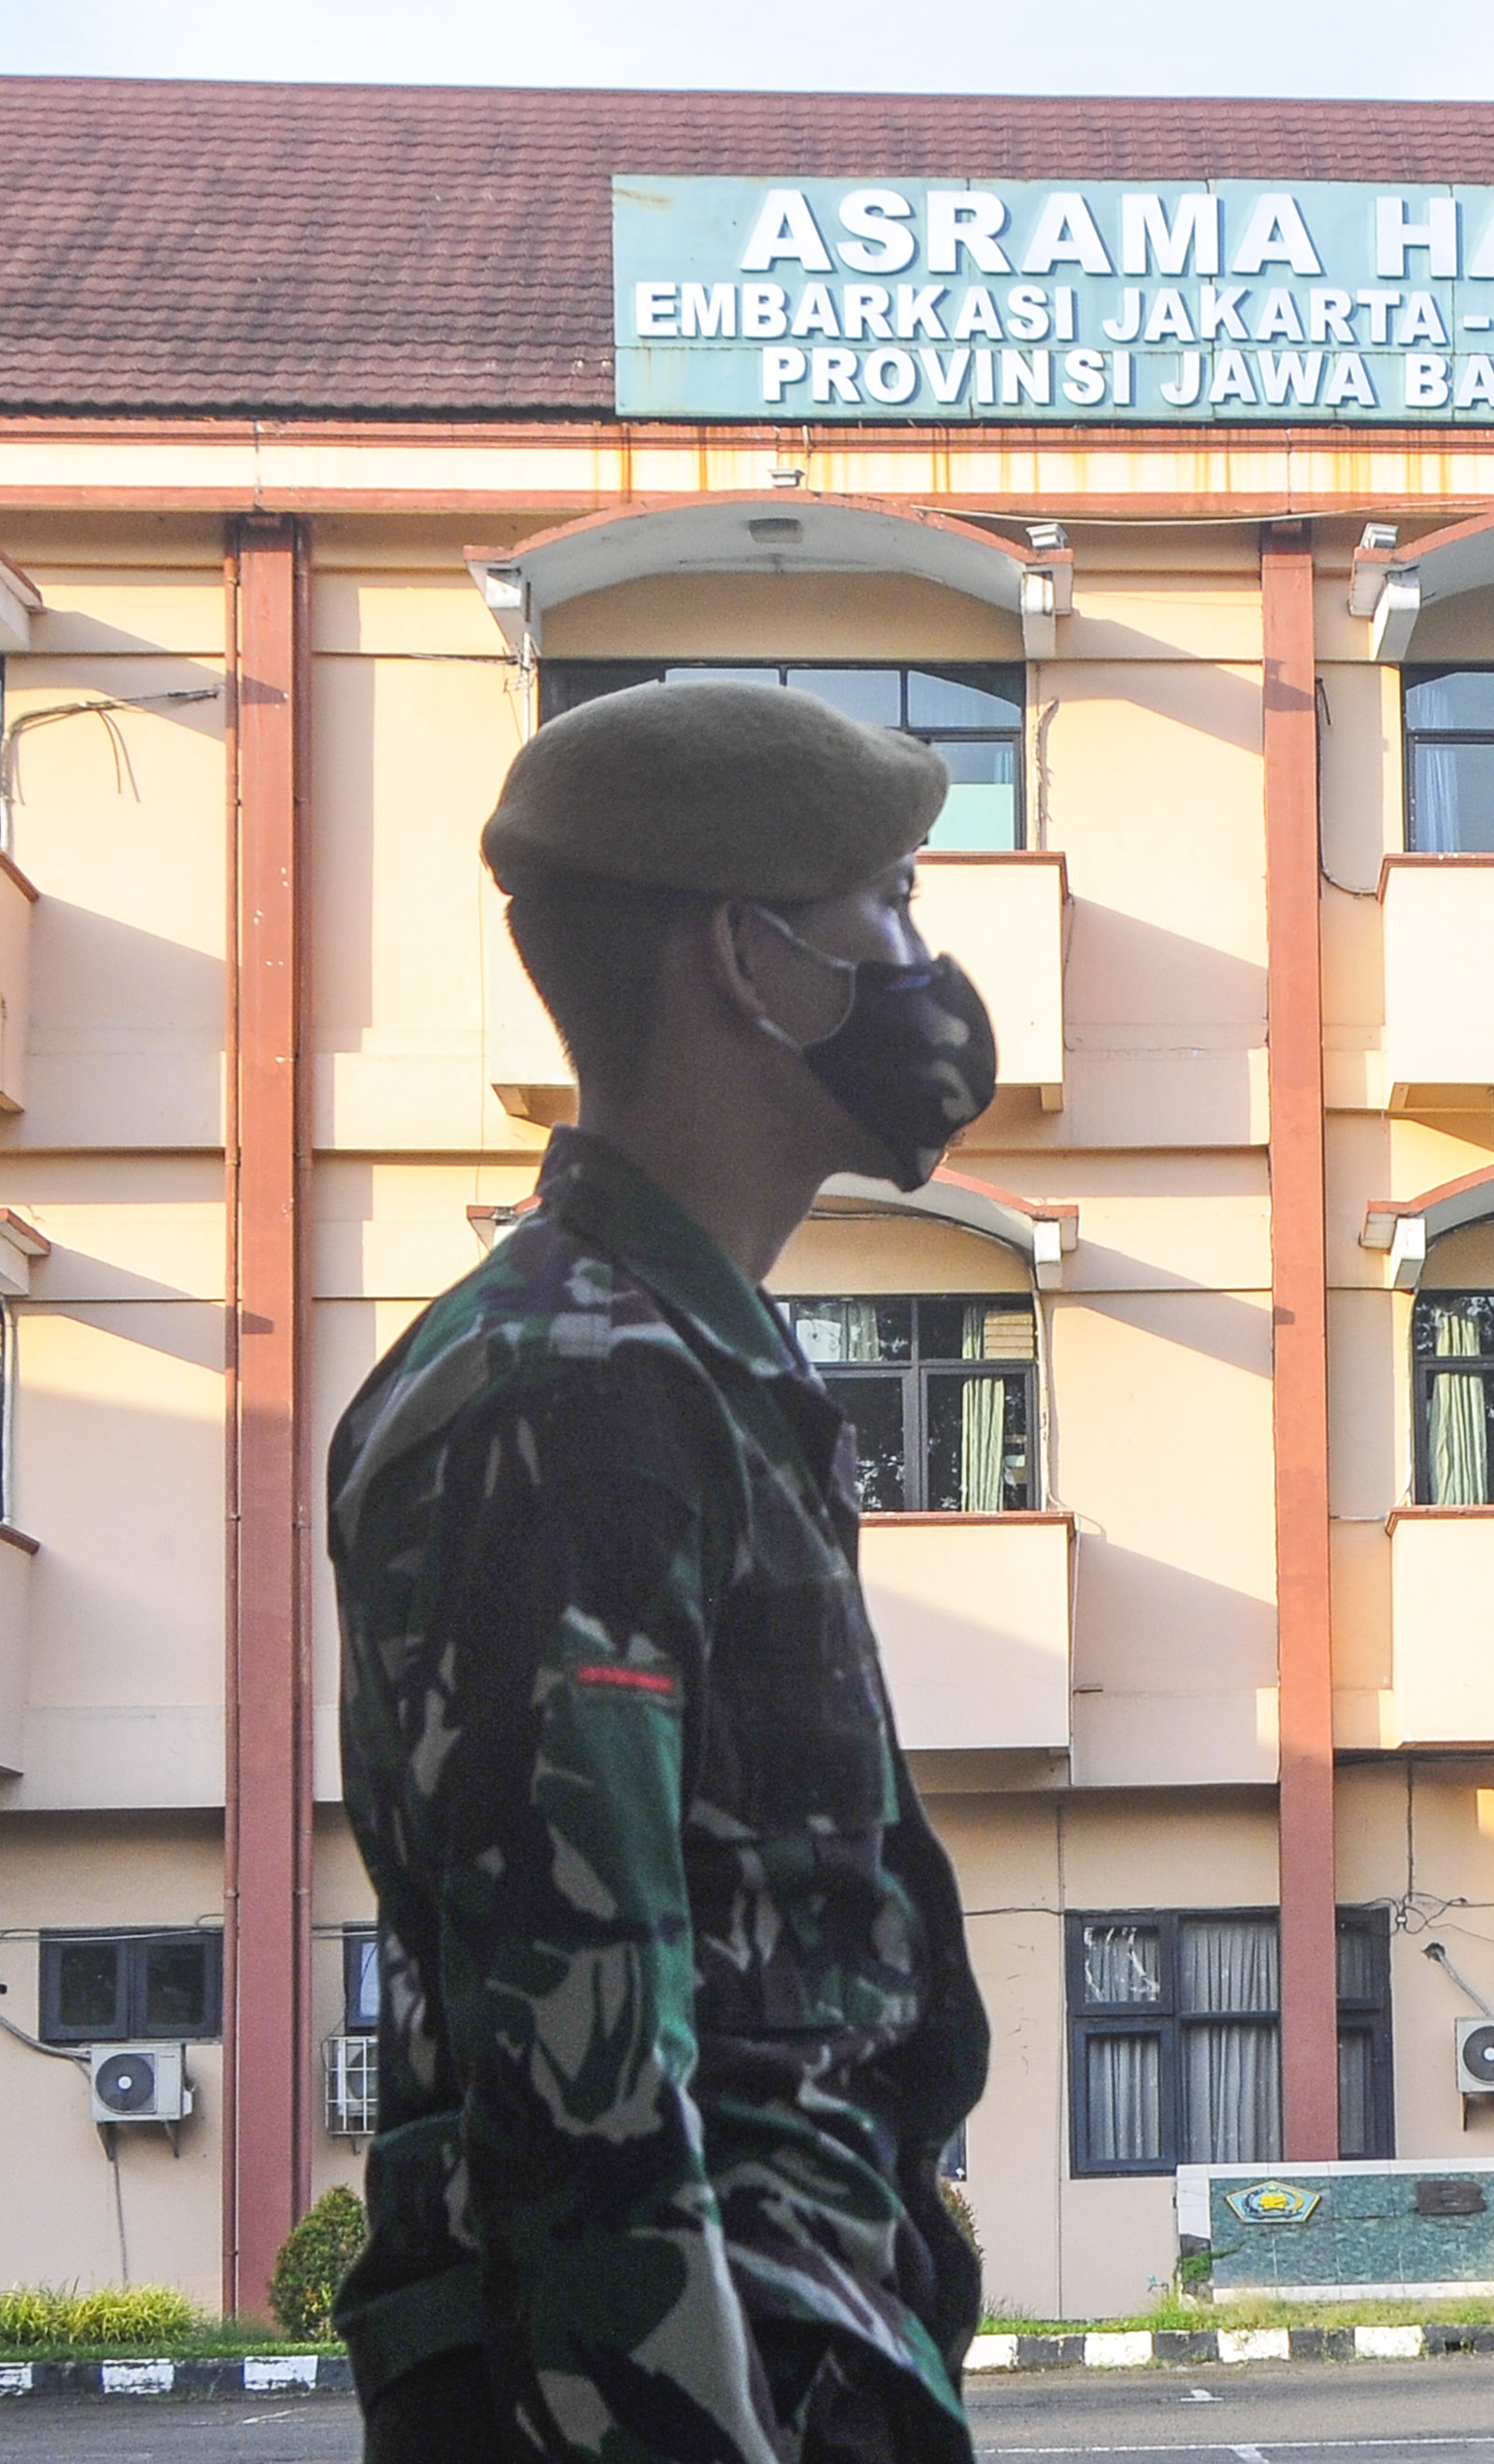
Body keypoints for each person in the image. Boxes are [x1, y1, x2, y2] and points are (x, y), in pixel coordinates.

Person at [328, 680, 1001, 2461]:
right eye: (892, 903)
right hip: (681, 2381)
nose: (924, 962)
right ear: (749, 960)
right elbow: (583, 2070)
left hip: (791, 2339)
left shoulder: (677, 1368)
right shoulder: (577, 1394)